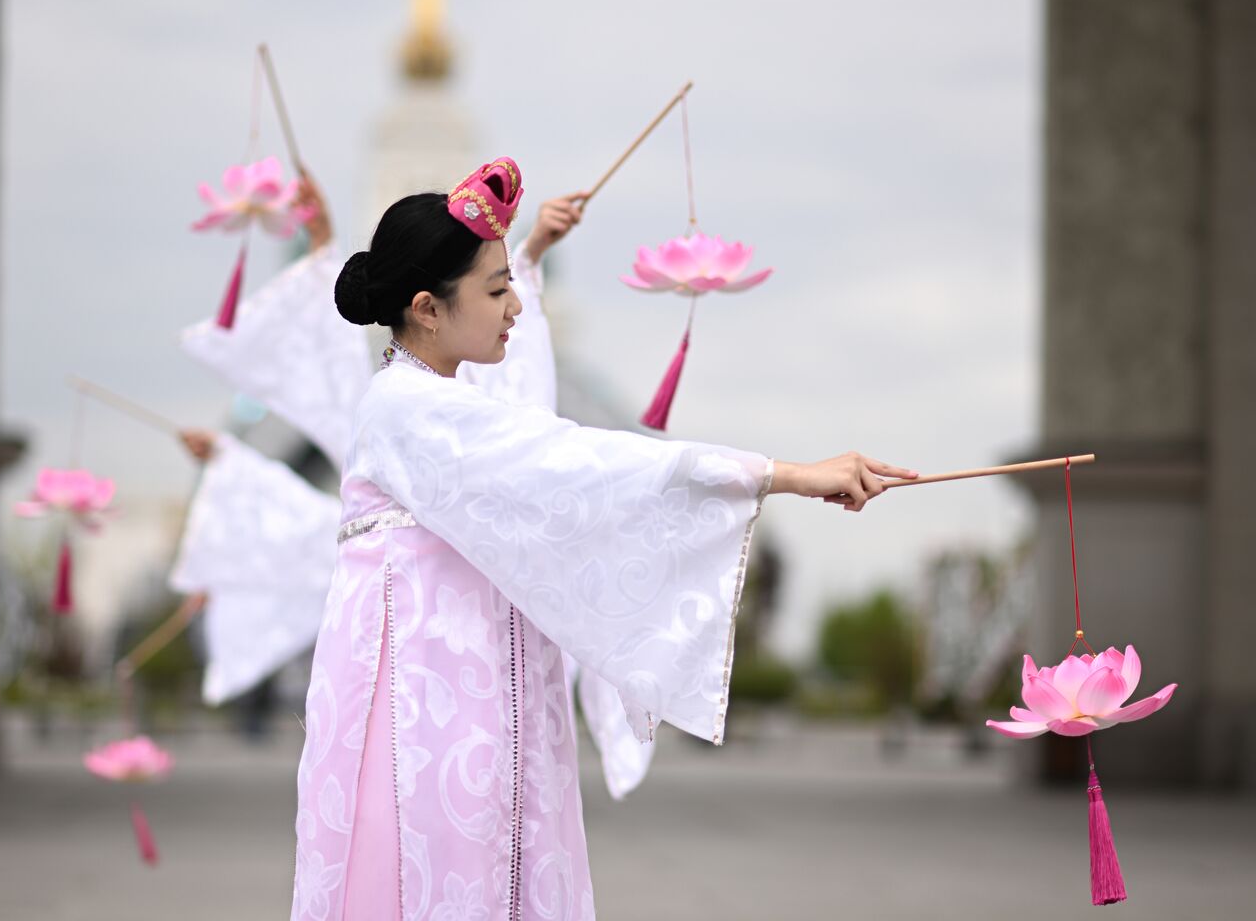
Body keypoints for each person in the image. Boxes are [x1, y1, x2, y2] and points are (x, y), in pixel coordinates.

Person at [291, 157, 916, 919]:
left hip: (460, 708)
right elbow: (569, 460)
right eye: (495, 289)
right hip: (421, 716)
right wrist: (781, 474)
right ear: (426, 308)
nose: (513, 304)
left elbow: (524, 425)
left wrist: (535, 253)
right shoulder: (407, 412)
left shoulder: (436, 402)